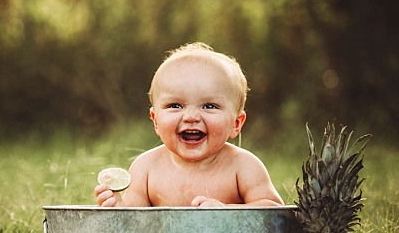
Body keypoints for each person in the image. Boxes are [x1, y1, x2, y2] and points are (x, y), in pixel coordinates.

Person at [96, 42, 286, 207]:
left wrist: (228, 211)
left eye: (209, 106)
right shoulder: (146, 168)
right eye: (175, 105)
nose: (191, 117)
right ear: (155, 121)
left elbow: (274, 211)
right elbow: (134, 225)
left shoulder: (243, 166)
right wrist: (117, 207)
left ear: (236, 124)